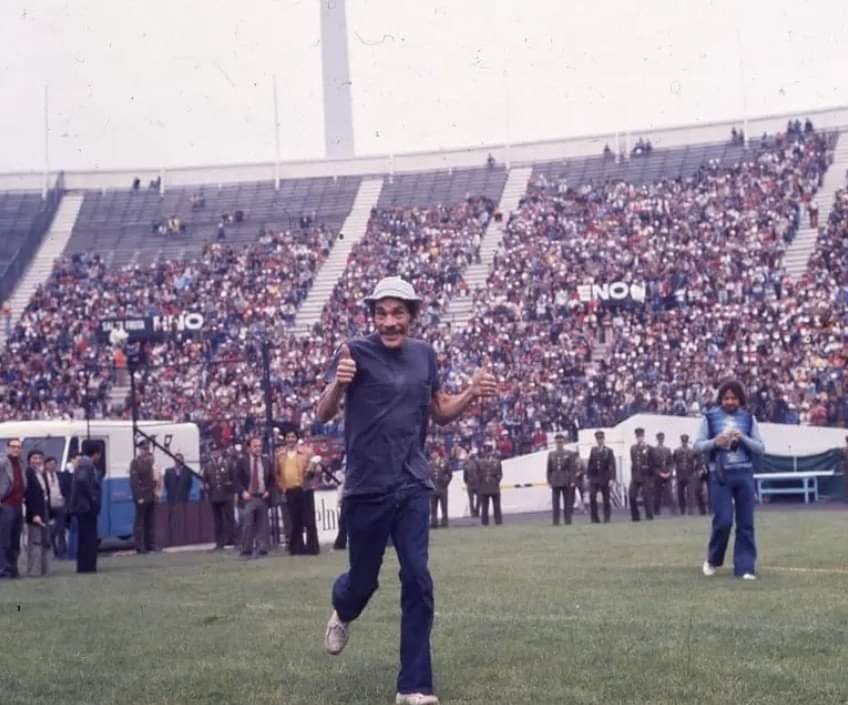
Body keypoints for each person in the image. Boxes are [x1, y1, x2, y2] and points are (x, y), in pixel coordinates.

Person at [317, 276, 497, 705]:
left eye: (398, 313)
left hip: (413, 484)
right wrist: (338, 384)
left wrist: (472, 392)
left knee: (417, 578)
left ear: (412, 316)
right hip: (365, 488)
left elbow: (441, 412)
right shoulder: (352, 351)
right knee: (361, 581)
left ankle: (414, 686)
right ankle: (343, 608)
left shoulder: (425, 356)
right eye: (381, 313)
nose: (389, 321)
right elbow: (323, 413)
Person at [695, 380, 765, 580]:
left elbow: (760, 448)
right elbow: (697, 446)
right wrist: (714, 442)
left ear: (740, 399)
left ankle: (745, 568)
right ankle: (713, 559)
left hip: (744, 474)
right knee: (723, 521)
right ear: (721, 399)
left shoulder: (749, 419)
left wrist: (742, 437)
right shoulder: (709, 418)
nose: (730, 401)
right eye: (726, 398)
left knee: (746, 523)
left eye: (733, 398)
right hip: (720, 475)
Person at [276, 429, 319, 555]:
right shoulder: (279, 455)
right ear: (285, 439)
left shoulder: (306, 452)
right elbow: (277, 474)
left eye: (293, 436)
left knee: (309, 520)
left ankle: (312, 548)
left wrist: (312, 473)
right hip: (290, 490)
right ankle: (296, 548)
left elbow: (317, 469)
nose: (290, 439)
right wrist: (282, 487)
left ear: (297, 438)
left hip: (305, 489)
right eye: (288, 437)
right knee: (295, 521)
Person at [234, 436, 275, 558]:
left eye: (260, 446)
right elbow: (236, 480)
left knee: (263, 525)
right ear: (249, 448)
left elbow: (272, 480)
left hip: (262, 497)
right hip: (248, 497)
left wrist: (269, 491)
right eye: (255, 446)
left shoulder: (266, 461)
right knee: (248, 524)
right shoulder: (242, 462)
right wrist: (242, 492)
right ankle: (246, 550)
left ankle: (262, 549)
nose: (258, 448)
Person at [68, 440, 103, 574]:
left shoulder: (83, 463)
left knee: (85, 537)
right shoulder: (86, 464)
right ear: (96, 453)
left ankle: (85, 566)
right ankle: (88, 566)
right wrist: (92, 496)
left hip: (83, 506)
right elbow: (82, 480)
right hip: (85, 507)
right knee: (88, 537)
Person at [0, 438, 26, 579]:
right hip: (6, 505)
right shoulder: (3, 463)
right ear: (7, 448)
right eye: (13, 446)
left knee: (15, 540)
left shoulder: (21, 464)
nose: (16, 449)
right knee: (5, 540)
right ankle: (4, 570)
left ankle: (13, 569)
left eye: (19, 447)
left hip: (17, 505)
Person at [24, 449, 52, 576]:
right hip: (35, 511)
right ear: (29, 460)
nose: (37, 460)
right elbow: (29, 496)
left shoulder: (41, 473)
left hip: (44, 508)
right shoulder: (28, 473)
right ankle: (34, 571)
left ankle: (44, 570)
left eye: (39, 458)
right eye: (34, 458)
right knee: (35, 541)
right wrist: (34, 514)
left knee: (45, 541)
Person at [202, 442, 235, 551]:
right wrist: (206, 486)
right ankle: (219, 542)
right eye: (213, 451)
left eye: (217, 451)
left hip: (227, 495)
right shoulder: (207, 466)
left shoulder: (228, 463)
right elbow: (205, 480)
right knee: (218, 520)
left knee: (230, 519)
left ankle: (234, 540)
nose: (215, 453)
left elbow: (234, 478)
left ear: (220, 451)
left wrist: (230, 485)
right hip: (214, 496)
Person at [129, 440, 157, 553]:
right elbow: (134, 481)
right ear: (139, 449)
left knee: (149, 521)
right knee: (140, 521)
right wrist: (138, 496)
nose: (145, 451)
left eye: (147, 449)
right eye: (143, 449)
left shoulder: (150, 461)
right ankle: (139, 546)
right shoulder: (135, 462)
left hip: (150, 494)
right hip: (142, 495)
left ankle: (150, 544)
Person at [547, 433, 579, 526]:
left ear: (563, 442)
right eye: (557, 442)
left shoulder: (569, 453)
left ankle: (568, 521)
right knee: (555, 502)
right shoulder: (551, 454)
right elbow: (549, 468)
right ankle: (555, 521)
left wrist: (573, 480)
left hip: (566, 480)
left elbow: (573, 468)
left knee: (567, 502)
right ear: (555, 443)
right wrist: (549, 480)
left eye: (561, 442)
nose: (559, 444)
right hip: (555, 480)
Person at [586, 430, 615, 523]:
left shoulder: (608, 451)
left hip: (605, 477)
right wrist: (588, 476)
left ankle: (607, 517)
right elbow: (590, 464)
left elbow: (612, 465)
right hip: (595, 477)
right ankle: (594, 518)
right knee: (592, 496)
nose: (600, 440)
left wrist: (612, 478)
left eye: (601, 438)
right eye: (598, 439)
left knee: (606, 498)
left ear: (604, 439)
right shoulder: (593, 450)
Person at [44, 457, 68, 559]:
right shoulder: (43, 476)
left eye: (54, 464)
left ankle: (62, 553)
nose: (52, 466)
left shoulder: (60, 475)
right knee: (50, 531)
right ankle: (53, 550)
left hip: (59, 505)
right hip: (48, 506)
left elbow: (65, 489)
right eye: (50, 464)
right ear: (46, 465)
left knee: (61, 529)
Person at [629, 428, 654, 521]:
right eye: (638, 436)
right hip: (636, 475)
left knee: (647, 496)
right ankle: (635, 516)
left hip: (646, 475)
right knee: (632, 495)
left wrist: (649, 472)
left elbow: (653, 462)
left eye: (641, 436)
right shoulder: (633, 448)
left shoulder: (649, 448)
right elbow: (633, 462)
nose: (639, 438)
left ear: (643, 436)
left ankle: (649, 516)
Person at [673, 435, 699, 515]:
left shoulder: (692, 451)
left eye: (685, 441)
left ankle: (691, 511)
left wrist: (695, 471)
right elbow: (673, 462)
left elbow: (696, 461)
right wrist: (674, 471)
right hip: (680, 474)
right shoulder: (676, 450)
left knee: (690, 494)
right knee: (680, 494)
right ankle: (682, 510)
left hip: (689, 474)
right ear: (681, 441)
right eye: (683, 441)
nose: (684, 443)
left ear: (687, 442)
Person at [652, 433, 676, 515]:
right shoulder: (653, 450)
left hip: (667, 474)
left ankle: (673, 512)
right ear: (657, 439)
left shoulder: (667, 450)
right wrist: (659, 473)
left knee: (669, 493)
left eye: (662, 439)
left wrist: (669, 472)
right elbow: (653, 465)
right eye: (659, 439)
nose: (661, 440)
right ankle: (656, 512)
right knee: (657, 494)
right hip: (658, 475)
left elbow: (671, 463)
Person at [429, 447, 452, 529]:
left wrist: (446, 483)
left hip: (442, 488)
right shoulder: (430, 464)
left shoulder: (445, 462)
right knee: (433, 507)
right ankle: (433, 522)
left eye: (433, 453)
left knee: (444, 506)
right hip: (433, 488)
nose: (432, 455)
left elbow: (450, 474)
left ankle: (444, 522)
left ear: (437, 453)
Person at [462, 450, 479, 517]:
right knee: (477, 499)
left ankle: (473, 512)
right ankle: (476, 511)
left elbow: (464, 477)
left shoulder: (466, 465)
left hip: (470, 483)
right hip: (476, 483)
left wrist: (467, 482)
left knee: (472, 499)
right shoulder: (477, 464)